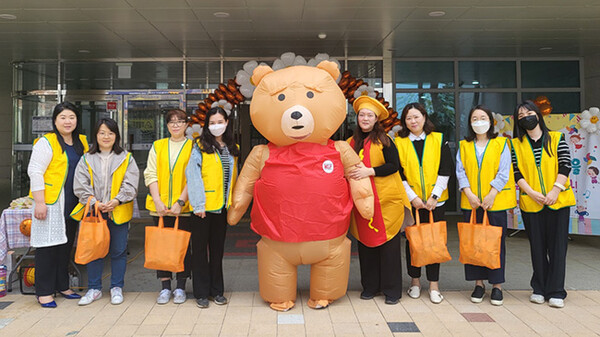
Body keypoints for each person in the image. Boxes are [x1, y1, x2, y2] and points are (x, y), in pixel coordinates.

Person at [346, 96, 412, 305]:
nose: (365, 118)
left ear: (376, 120)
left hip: (386, 203)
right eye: (362, 115)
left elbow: (394, 166)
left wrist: (369, 171)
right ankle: (370, 287)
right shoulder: (351, 142)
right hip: (362, 203)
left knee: (389, 248)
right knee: (365, 247)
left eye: (369, 115)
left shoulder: (385, 140)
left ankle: (392, 291)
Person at [510, 100, 575, 308]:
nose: (525, 117)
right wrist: (531, 192)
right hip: (532, 202)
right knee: (537, 247)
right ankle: (538, 288)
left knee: (557, 247)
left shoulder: (556, 138)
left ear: (538, 114)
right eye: (520, 116)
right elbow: (516, 172)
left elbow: (565, 164)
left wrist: (555, 190)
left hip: (558, 201)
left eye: (528, 112)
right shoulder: (515, 144)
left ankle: (556, 290)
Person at [72, 118, 139, 306]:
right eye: (102, 133)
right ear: (96, 135)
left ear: (116, 136)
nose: (106, 136)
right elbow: (80, 185)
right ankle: (94, 289)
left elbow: (131, 183)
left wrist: (117, 200)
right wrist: (94, 202)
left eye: (110, 133)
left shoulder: (127, 158)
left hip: (118, 211)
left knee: (118, 251)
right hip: (95, 212)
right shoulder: (86, 158)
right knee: (95, 251)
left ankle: (116, 287)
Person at [27, 101, 88, 308]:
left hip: (74, 203)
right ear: (55, 120)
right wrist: (40, 202)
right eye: (63, 117)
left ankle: (63, 285)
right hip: (51, 202)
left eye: (71, 117)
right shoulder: (46, 142)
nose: (67, 121)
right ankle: (43, 291)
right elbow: (35, 171)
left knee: (65, 246)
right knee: (47, 247)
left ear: (77, 120)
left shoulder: (82, 141)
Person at [455, 105, 516, 306]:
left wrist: (492, 193)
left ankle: (497, 286)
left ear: (490, 121)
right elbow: (460, 171)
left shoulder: (501, 143)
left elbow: (504, 171)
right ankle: (479, 284)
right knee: (474, 243)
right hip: (471, 202)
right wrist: (469, 193)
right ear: (470, 123)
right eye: (474, 118)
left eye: (483, 117)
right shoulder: (464, 145)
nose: (479, 121)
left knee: (495, 244)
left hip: (495, 202)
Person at [394, 102, 453, 304]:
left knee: (434, 242)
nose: (413, 121)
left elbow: (445, 169)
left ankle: (434, 285)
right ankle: (415, 282)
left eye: (416, 117)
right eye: (409, 118)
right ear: (404, 121)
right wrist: (414, 198)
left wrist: (434, 197)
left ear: (424, 117)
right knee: (413, 242)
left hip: (436, 203)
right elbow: (398, 174)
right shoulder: (399, 142)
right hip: (413, 202)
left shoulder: (439, 139)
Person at [186, 107, 239, 308]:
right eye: (212, 122)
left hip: (222, 207)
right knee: (199, 251)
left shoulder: (232, 147)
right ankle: (200, 293)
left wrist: (232, 203)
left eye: (220, 121)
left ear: (227, 122)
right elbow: (192, 175)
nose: (217, 126)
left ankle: (217, 291)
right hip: (202, 207)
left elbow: (232, 178)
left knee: (217, 251)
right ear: (207, 125)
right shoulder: (199, 145)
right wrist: (198, 204)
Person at [144, 109, 193, 305]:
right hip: (160, 206)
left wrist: (180, 201)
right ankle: (165, 288)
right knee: (161, 246)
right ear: (166, 125)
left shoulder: (193, 147)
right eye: (172, 122)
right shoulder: (158, 146)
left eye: (180, 121)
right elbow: (150, 173)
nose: (176, 125)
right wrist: (157, 200)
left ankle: (181, 286)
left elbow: (194, 176)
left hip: (184, 207)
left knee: (183, 247)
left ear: (186, 125)